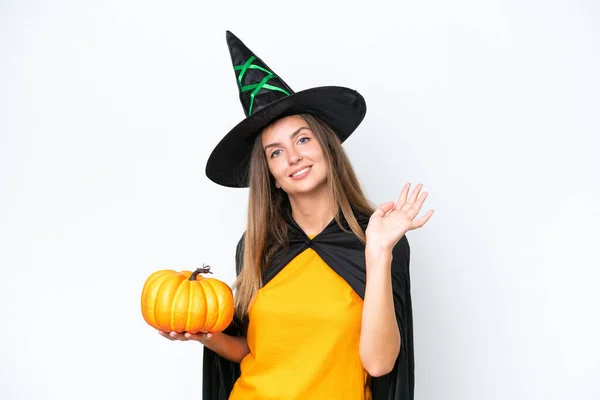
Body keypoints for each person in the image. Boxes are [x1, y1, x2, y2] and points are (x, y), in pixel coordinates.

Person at [158, 31, 433, 400]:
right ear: (271, 176)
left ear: (327, 146)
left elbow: (380, 365)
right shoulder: (258, 245)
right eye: (275, 152)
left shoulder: (378, 239)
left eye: (303, 139)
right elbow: (256, 351)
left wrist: (379, 252)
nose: (293, 157)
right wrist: (206, 335)